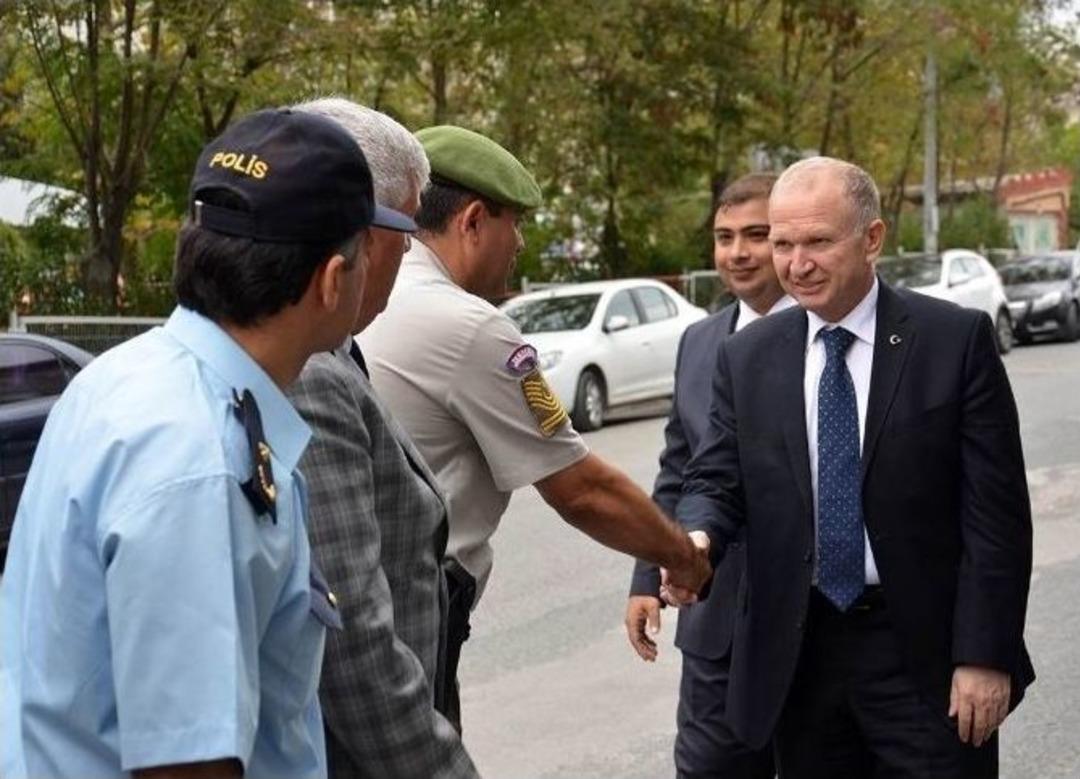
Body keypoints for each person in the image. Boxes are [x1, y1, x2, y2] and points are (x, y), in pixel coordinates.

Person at [0, 108, 394, 778]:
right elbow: (186, 761)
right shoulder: (201, 460)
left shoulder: (127, 380)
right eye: (367, 254)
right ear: (333, 281)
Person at [669, 156, 1035, 778]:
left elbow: (995, 519)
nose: (796, 263)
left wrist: (984, 654)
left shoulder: (953, 342)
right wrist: (696, 539)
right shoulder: (747, 357)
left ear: (872, 239)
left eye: (817, 242)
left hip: (924, 655)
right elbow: (715, 478)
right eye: (783, 243)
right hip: (800, 655)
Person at [358, 125, 712, 730]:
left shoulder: (366, 288)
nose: (519, 242)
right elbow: (582, 489)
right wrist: (681, 558)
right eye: (513, 223)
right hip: (412, 610)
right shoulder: (468, 325)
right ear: (472, 221)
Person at [286, 98, 478, 778]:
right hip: (362, 746)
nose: (411, 251)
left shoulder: (330, 348)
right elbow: (351, 632)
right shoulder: (308, 366)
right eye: (407, 229)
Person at [625, 173, 790, 779]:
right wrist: (648, 573)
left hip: (819, 626)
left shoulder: (836, 340)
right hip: (716, 621)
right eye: (724, 237)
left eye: (756, 235)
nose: (738, 252)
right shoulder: (699, 341)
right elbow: (679, 468)